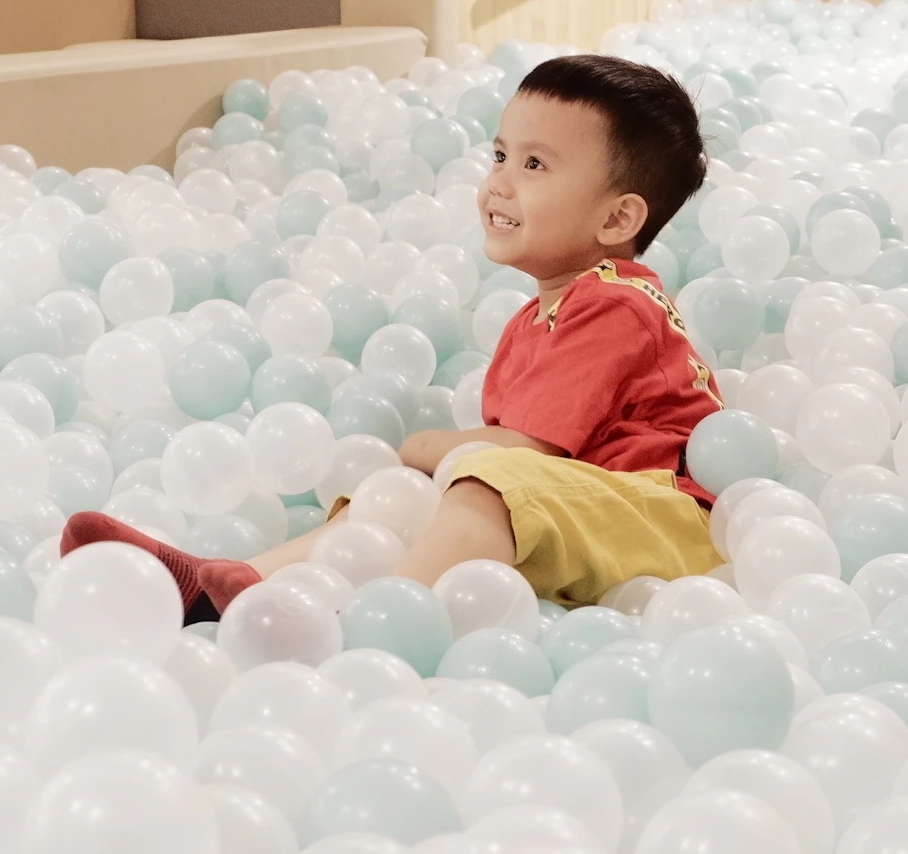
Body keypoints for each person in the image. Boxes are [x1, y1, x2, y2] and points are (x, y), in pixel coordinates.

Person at [60, 53, 726, 622]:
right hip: (586, 516)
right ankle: (232, 586)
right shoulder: (541, 315)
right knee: (404, 494)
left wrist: (423, 446)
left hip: (660, 522)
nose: (498, 182)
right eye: (499, 155)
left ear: (618, 218)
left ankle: (377, 619)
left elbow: (529, 451)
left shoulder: (613, 303)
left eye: (534, 165)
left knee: (480, 479)